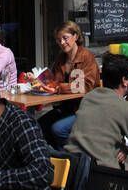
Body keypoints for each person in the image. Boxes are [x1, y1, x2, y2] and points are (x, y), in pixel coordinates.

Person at [66, 54, 128, 168]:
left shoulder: (89, 98)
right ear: (125, 81)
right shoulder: (124, 107)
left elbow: (101, 132)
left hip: (72, 168)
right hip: (100, 176)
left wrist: (121, 145)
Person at [40, 21, 101, 149]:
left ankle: (71, 161)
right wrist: (37, 81)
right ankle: (57, 155)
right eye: (59, 40)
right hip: (66, 108)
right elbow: (53, 81)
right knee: (39, 125)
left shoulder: (87, 57)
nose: (62, 43)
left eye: (65, 38)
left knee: (58, 129)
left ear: (76, 36)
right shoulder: (61, 58)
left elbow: (85, 87)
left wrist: (58, 88)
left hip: (84, 109)